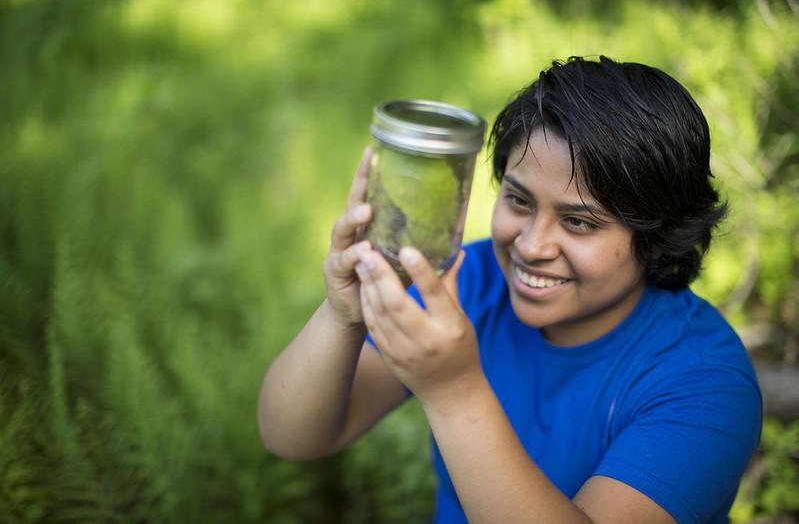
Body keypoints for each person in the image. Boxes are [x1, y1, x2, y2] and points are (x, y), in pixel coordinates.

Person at [258, 56, 762, 524]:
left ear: (658, 237)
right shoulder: (472, 282)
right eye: (519, 200)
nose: (531, 245)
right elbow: (292, 436)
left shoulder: (705, 384)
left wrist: (455, 391)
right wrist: (343, 314)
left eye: (579, 222)